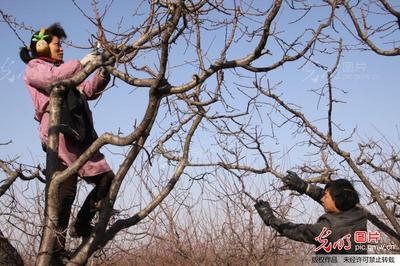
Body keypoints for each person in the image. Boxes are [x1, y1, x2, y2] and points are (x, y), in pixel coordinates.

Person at [20, 23, 114, 257]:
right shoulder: (35, 67)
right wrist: (83, 62)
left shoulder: (66, 70)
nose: (61, 49)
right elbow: (53, 80)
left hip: (79, 132)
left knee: (107, 180)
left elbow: (87, 90)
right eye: (57, 45)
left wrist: (103, 70)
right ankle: (56, 251)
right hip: (59, 133)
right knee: (64, 194)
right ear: (41, 46)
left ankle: (82, 223)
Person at [254, 171, 367, 254]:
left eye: (326, 196)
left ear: (337, 200)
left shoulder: (328, 229)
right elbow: (329, 198)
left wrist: (271, 219)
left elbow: (299, 231)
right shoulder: (359, 214)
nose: (322, 199)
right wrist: (305, 187)